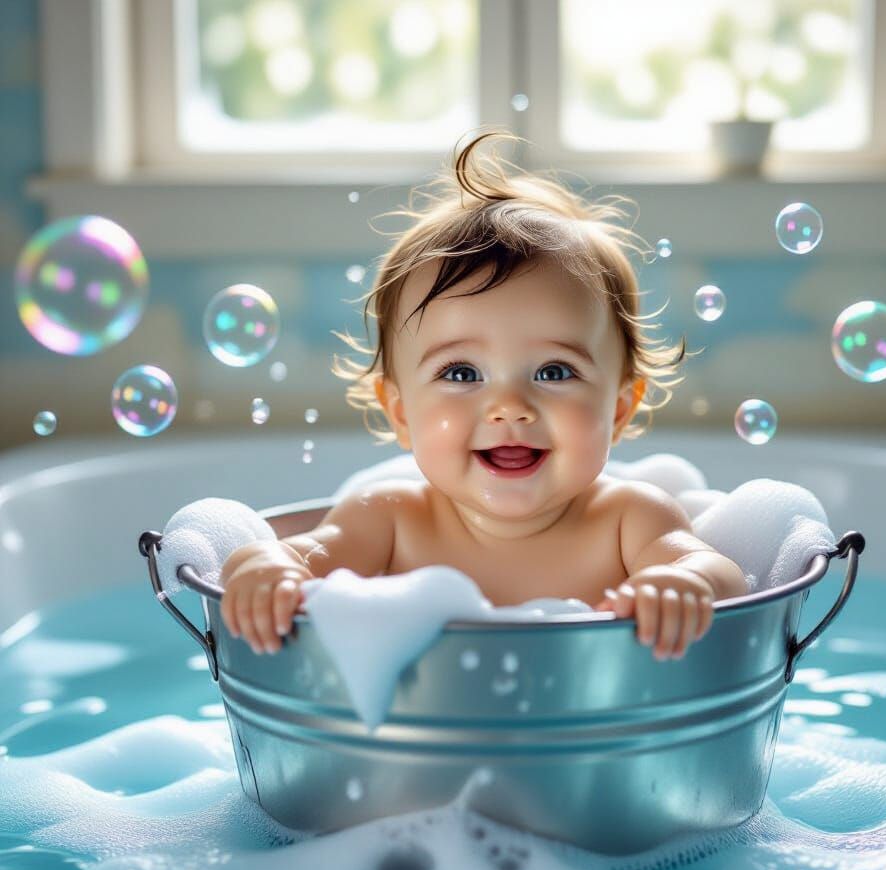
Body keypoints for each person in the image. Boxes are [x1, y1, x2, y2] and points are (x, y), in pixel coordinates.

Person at [220, 129, 747, 662]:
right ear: (402, 413)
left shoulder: (628, 518)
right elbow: (300, 554)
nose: (509, 405)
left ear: (618, 410)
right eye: (462, 373)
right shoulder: (388, 519)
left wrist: (684, 585)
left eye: (554, 370)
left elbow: (715, 572)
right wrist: (267, 568)